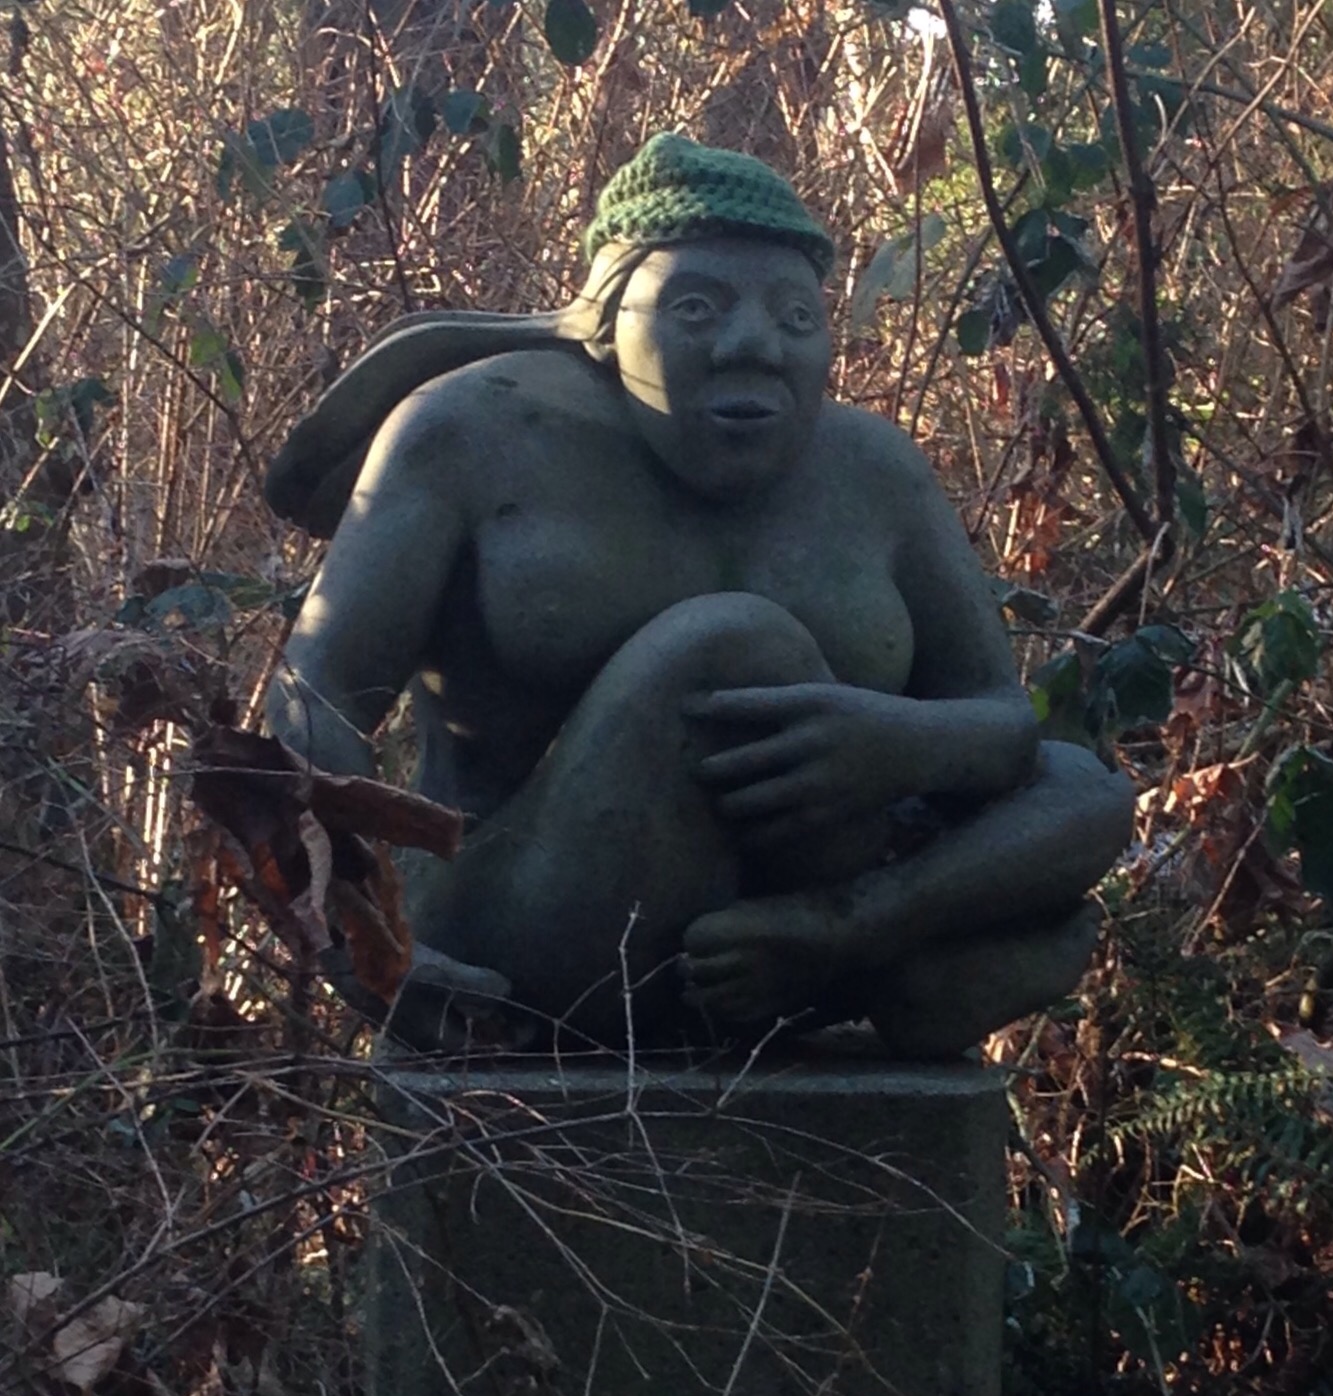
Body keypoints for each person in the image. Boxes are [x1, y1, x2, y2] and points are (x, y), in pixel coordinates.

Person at [264, 134, 1132, 1055]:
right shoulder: (472, 429)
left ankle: (852, 942)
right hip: (527, 942)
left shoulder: (873, 467)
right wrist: (362, 941)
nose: (753, 345)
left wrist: (889, 742)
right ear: (606, 320)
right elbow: (313, 702)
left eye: (795, 316)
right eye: (695, 307)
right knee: (730, 648)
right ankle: (913, 974)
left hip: (784, 927)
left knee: (1084, 789)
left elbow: (1002, 724)